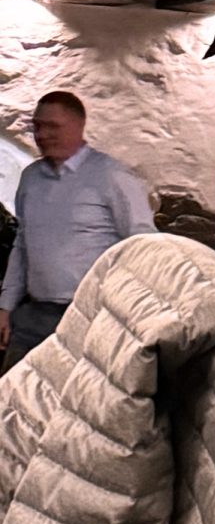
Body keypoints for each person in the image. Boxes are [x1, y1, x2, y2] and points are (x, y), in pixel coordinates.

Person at [0, 91, 154, 364]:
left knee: (83, 401)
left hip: (93, 317)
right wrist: (6, 306)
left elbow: (143, 246)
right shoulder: (31, 179)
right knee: (15, 398)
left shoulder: (111, 176)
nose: (43, 134)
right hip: (36, 316)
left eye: (53, 126)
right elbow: (23, 246)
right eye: (37, 126)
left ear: (78, 126)